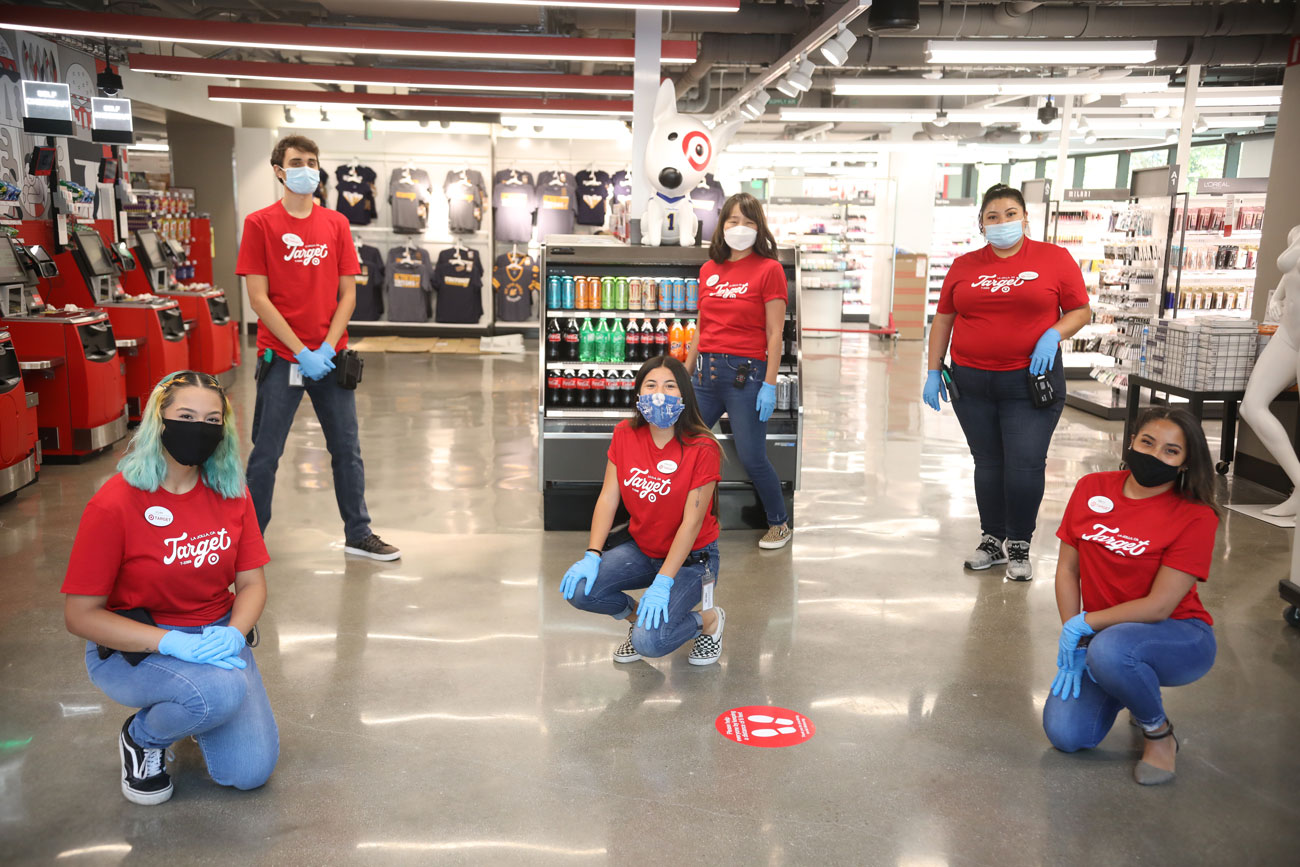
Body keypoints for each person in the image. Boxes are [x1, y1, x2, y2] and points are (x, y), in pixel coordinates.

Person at [61, 372, 278, 805]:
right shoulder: (115, 503)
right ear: (158, 419)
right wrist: (170, 642)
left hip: (216, 638)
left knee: (250, 772)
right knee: (220, 692)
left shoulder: (230, 493)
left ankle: (197, 709)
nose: (200, 427)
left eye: (212, 419)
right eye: (186, 415)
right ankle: (142, 738)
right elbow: (80, 616)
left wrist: (235, 633)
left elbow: (252, 582)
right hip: (138, 647)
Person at [236, 134, 398, 561]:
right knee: (266, 455)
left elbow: (349, 293)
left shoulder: (336, 224)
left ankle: (358, 533)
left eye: (312, 161)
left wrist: (325, 349)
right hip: (280, 358)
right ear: (278, 170)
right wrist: (300, 350)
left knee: (347, 450)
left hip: (330, 362)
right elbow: (258, 299)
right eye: (296, 161)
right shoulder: (260, 224)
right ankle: (249, 543)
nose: (306, 168)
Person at [1043, 407, 1220, 785]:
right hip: (1106, 635)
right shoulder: (1092, 488)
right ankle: (1128, 684)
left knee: (1111, 650)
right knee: (1067, 735)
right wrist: (1073, 635)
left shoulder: (1196, 516)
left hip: (1178, 635)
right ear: (1131, 441)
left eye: (1171, 451)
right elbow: (1067, 569)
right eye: (1148, 442)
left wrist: (1086, 625)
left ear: (1186, 462)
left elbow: (1158, 607)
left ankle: (1158, 732)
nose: (1155, 455)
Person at [924, 183, 1091, 580]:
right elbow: (944, 318)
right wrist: (934, 369)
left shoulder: (1054, 259)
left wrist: (1053, 334)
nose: (1002, 222)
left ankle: (1018, 543)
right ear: (981, 223)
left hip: (1030, 383)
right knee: (988, 463)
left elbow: (1081, 311)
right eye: (992, 216)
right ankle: (992, 539)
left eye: (1010, 214)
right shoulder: (964, 265)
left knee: (1024, 464)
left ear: (1025, 217)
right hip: (972, 383)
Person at [561, 355, 726, 666]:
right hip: (643, 548)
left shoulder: (702, 447)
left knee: (650, 643)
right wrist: (592, 554)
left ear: (684, 395)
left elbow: (691, 524)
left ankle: (709, 620)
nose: (659, 394)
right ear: (638, 394)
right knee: (580, 591)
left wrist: (663, 582)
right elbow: (608, 498)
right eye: (651, 385)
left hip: (693, 559)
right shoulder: (625, 433)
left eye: (670, 386)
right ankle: (641, 620)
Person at [683, 192, 791, 550]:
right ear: (721, 226)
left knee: (752, 455)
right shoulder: (709, 270)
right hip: (705, 374)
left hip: (747, 375)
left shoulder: (769, 269)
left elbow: (775, 332)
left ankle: (779, 523)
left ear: (758, 228)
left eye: (748, 222)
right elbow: (702, 325)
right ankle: (685, 520)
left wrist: (770, 384)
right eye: (733, 221)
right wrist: (684, 371)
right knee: (684, 444)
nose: (740, 228)